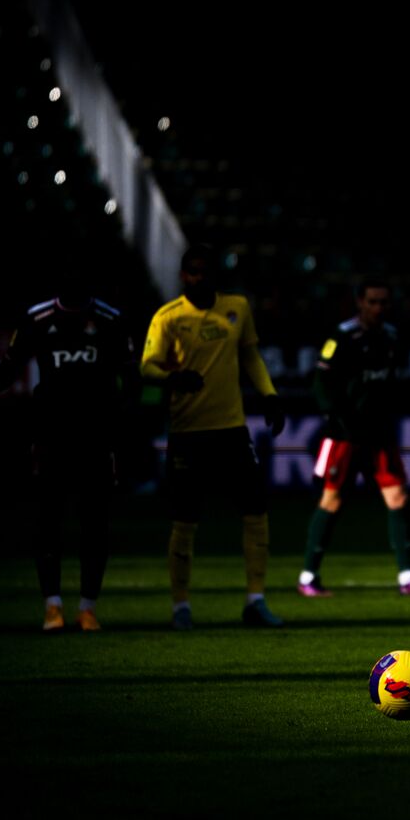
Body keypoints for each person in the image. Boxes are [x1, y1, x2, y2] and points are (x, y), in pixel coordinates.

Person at [140, 244, 286, 630]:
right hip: (188, 431)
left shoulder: (237, 307)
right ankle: (181, 606)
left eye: (205, 271)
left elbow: (251, 357)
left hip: (232, 429)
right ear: (183, 276)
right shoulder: (167, 317)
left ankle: (255, 599)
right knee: (185, 520)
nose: (199, 278)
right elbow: (146, 366)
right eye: (193, 272)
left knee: (256, 512)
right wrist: (173, 378)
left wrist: (269, 395)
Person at [0, 283, 137, 632]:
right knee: (48, 523)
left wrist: (116, 423)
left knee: (94, 525)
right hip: (51, 438)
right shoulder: (36, 319)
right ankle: (52, 608)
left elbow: (132, 380)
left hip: (95, 440)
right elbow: (9, 366)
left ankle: (88, 609)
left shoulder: (111, 320)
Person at [298, 280, 410, 598]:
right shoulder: (343, 336)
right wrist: (333, 415)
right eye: (373, 301)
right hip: (345, 435)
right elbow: (321, 380)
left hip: (379, 434)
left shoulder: (390, 337)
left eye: (384, 302)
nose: (379, 307)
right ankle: (309, 576)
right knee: (331, 501)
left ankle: (408, 577)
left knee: (398, 498)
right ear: (360, 303)